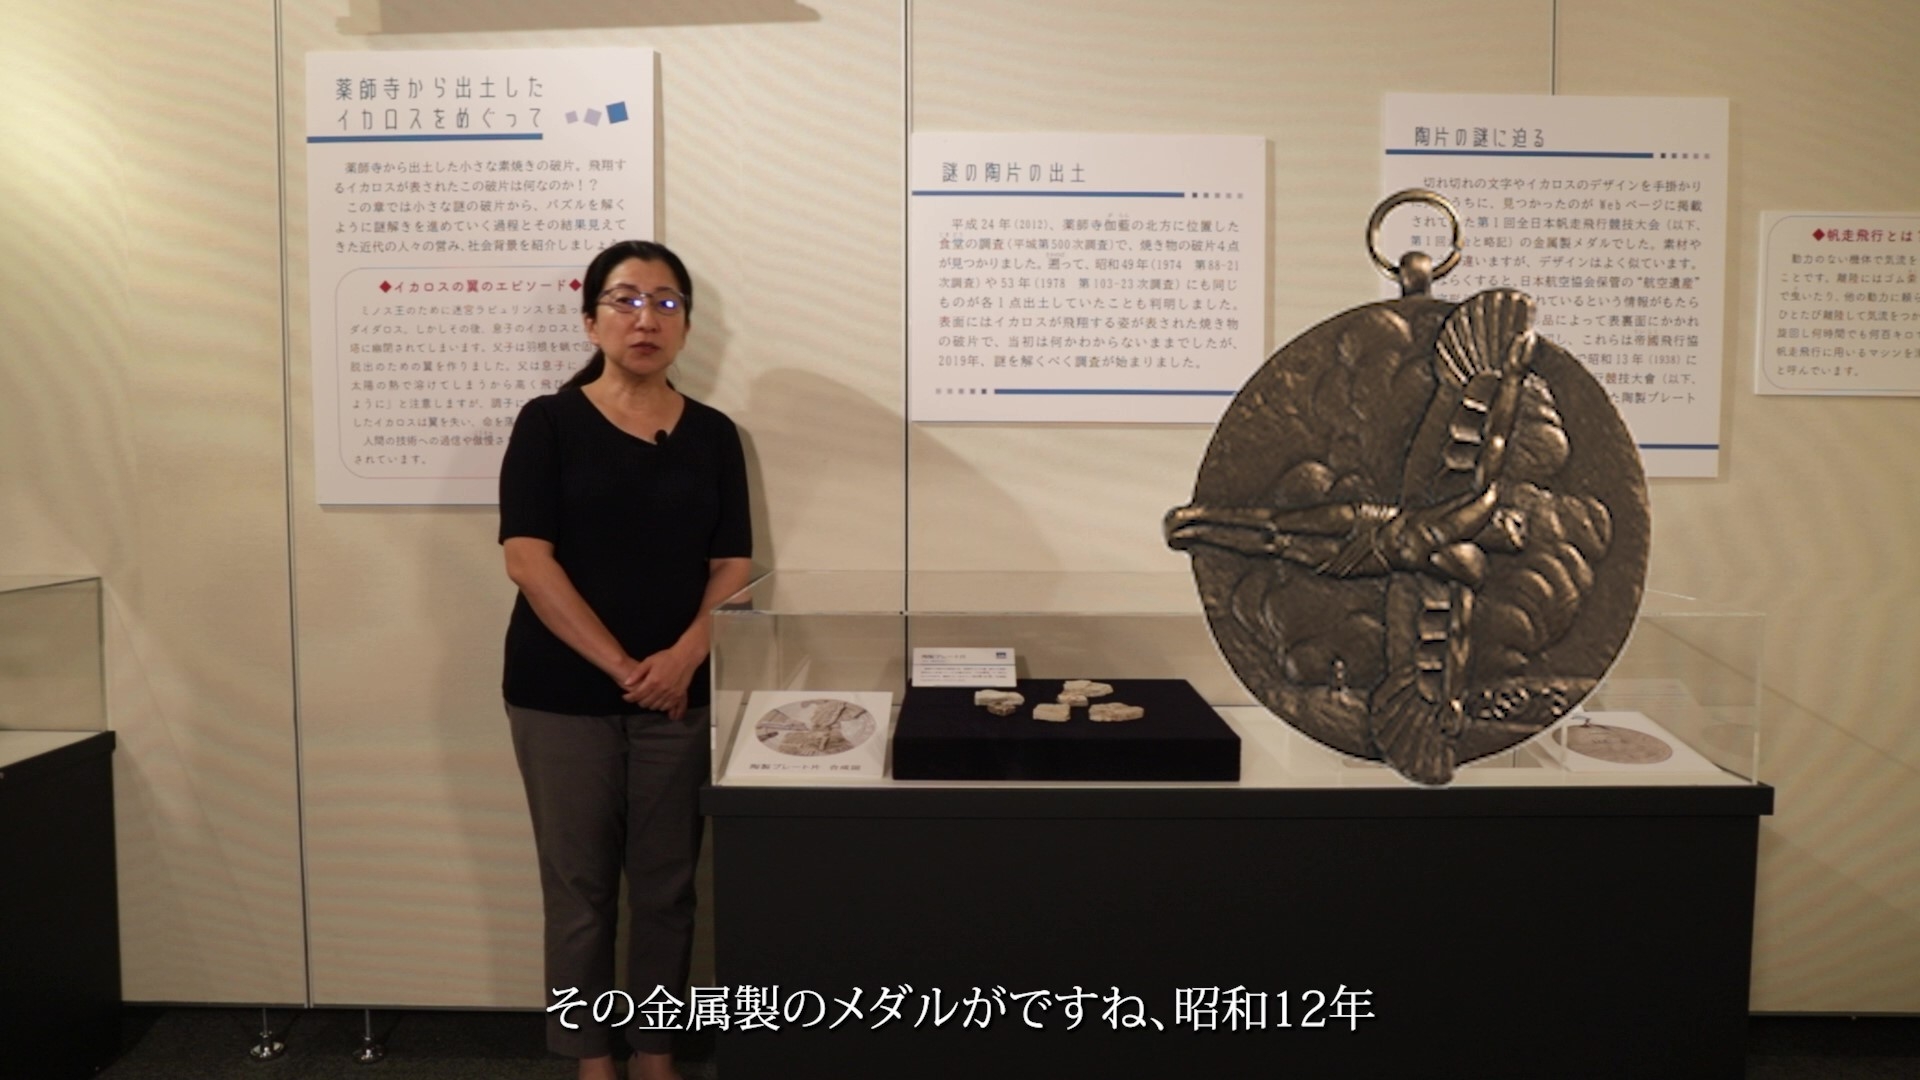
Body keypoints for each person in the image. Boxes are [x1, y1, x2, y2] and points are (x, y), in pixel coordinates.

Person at [498, 239, 753, 1080]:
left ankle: (654, 1049)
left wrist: (680, 659)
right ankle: (589, 1054)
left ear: (687, 325)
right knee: (579, 889)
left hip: (680, 691)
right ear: (591, 321)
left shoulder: (714, 435)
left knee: (668, 885)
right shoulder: (549, 423)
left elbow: (733, 565)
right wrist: (623, 667)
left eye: (666, 302)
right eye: (626, 300)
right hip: (559, 693)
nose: (647, 318)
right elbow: (527, 559)